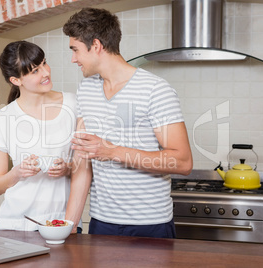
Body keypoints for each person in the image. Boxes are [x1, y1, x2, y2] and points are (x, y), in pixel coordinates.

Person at [63, 8, 193, 238]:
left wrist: (111, 150)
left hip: (150, 225)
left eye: (75, 50)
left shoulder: (155, 89)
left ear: (96, 45)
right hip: (101, 223)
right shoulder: (86, 89)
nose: (73, 58)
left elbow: (182, 161)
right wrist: (69, 225)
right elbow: (82, 163)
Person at [0, 40, 81, 231]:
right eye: (35, 71)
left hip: (62, 222)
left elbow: (88, 165)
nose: (45, 73)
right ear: (16, 80)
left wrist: (67, 168)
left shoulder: (73, 104)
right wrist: (17, 173)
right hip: (16, 224)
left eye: (44, 63)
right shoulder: (3, 119)